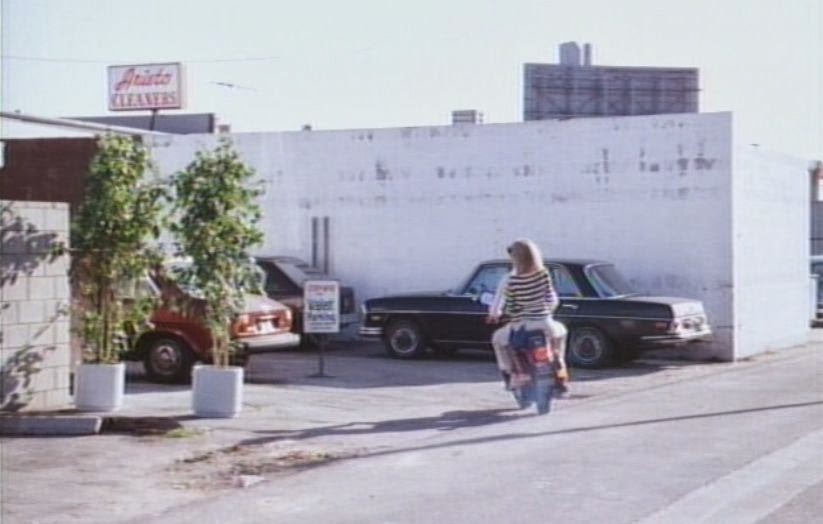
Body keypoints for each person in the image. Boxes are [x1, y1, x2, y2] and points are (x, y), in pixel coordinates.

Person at [485, 239, 569, 396]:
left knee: (498, 339)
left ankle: (510, 375)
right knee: (561, 336)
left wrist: (498, 315)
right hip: (545, 323)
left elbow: (509, 306)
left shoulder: (510, 280)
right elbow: (552, 299)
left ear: (514, 257)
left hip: (522, 326)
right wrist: (546, 311)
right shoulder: (543, 274)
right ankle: (561, 375)